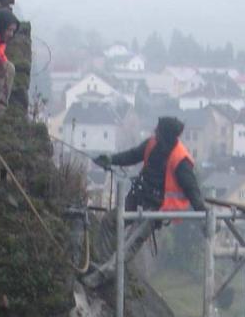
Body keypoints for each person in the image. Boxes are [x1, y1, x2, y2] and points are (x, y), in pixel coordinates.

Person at [87, 117, 204, 283]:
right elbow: (133, 155)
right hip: (138, 198)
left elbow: (193, 191)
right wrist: (111, 159)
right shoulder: (152, 144)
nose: (155, 132)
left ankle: (104, 275)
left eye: (158, 130)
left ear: (167, 135)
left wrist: (204, 212)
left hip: (156, 208)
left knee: (131, 240)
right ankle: (104, 264)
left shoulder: (181, 160)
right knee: (109, 221)